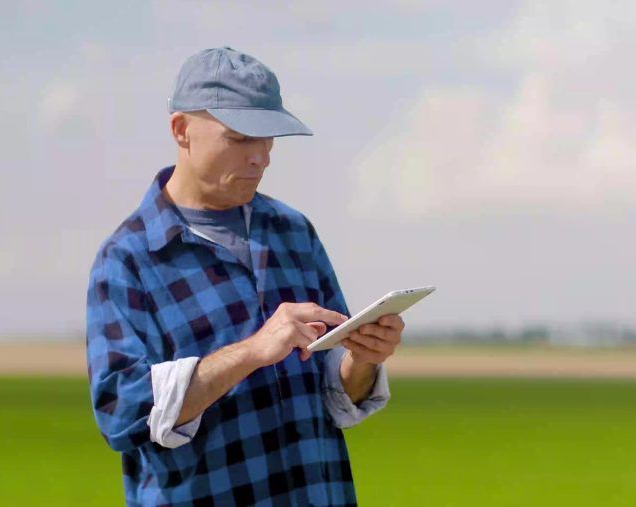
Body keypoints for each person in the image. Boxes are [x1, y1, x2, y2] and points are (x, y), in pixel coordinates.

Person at [85, 47, 406, 506]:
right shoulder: (128, 259)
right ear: (181, 130)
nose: (261, 158)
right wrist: (253, 351)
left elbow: (337, 391)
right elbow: (122, 413)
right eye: (239, 138)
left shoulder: (294, 232)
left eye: (268, 138)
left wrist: (364, 359)